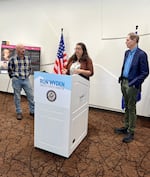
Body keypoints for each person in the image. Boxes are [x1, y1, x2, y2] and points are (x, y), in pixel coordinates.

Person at [115, 32, 149, 143]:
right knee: (127, 106)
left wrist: (134, 83)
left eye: (128, 40)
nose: (126, 41)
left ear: (134, 41)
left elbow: (145, 72)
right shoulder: (126, 53)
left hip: (132, 85)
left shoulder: (141, 54)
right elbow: (125, 67)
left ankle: (131, 131)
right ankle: (126, 126)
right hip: (123, 82)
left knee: (131, 106)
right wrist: (121, 77)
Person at [8, 44, 34, 120]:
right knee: (17, 97)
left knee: (30, 96)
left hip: (26, 79)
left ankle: (32, 111)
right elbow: (10, 70)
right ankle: (19, 112)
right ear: (17, 50)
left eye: (24, 48)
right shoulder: (12, 59)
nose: (24, 50)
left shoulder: (28, 58)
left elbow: (30, 68)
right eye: (22, 48)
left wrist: (28, 74)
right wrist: (14, 76)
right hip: (17, 80)